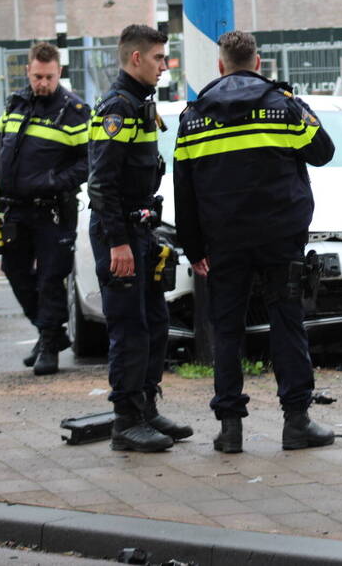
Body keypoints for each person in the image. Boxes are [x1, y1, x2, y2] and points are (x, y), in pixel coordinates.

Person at [174, 30, 336, 454]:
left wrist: (194, 250)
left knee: (226, 332)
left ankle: (230, 429)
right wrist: (298, 107)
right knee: (287, 324)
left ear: (221, 65)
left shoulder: (192, 118)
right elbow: (323, 151)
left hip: (223, 244)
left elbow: (184, 192)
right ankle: (296, 422)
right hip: (280, 240)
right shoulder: (284, 108)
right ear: (259, 63)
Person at [88, 24, 192, 453]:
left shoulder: (141, 104)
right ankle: (125, 421)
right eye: (157, 58)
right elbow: (102, 184)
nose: (163, 66)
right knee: (129, 328)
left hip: (141, 230)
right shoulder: (118, 108)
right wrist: (118, 243)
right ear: (136, 58)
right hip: (121, 233)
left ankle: (146, 408)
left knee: (154, 322)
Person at [0, 42, 88, 376]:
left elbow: (88, 160)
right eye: (38, 76)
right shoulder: (18, 101)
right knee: (14, 271)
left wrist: (55, 181)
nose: (43, 83)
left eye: (50, 77)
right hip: (16, 207)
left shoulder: (73, 110)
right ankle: (49, 335)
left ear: (59, 73)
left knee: (51, 279)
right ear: (28, 71)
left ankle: (49, 345)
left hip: (53, 210)